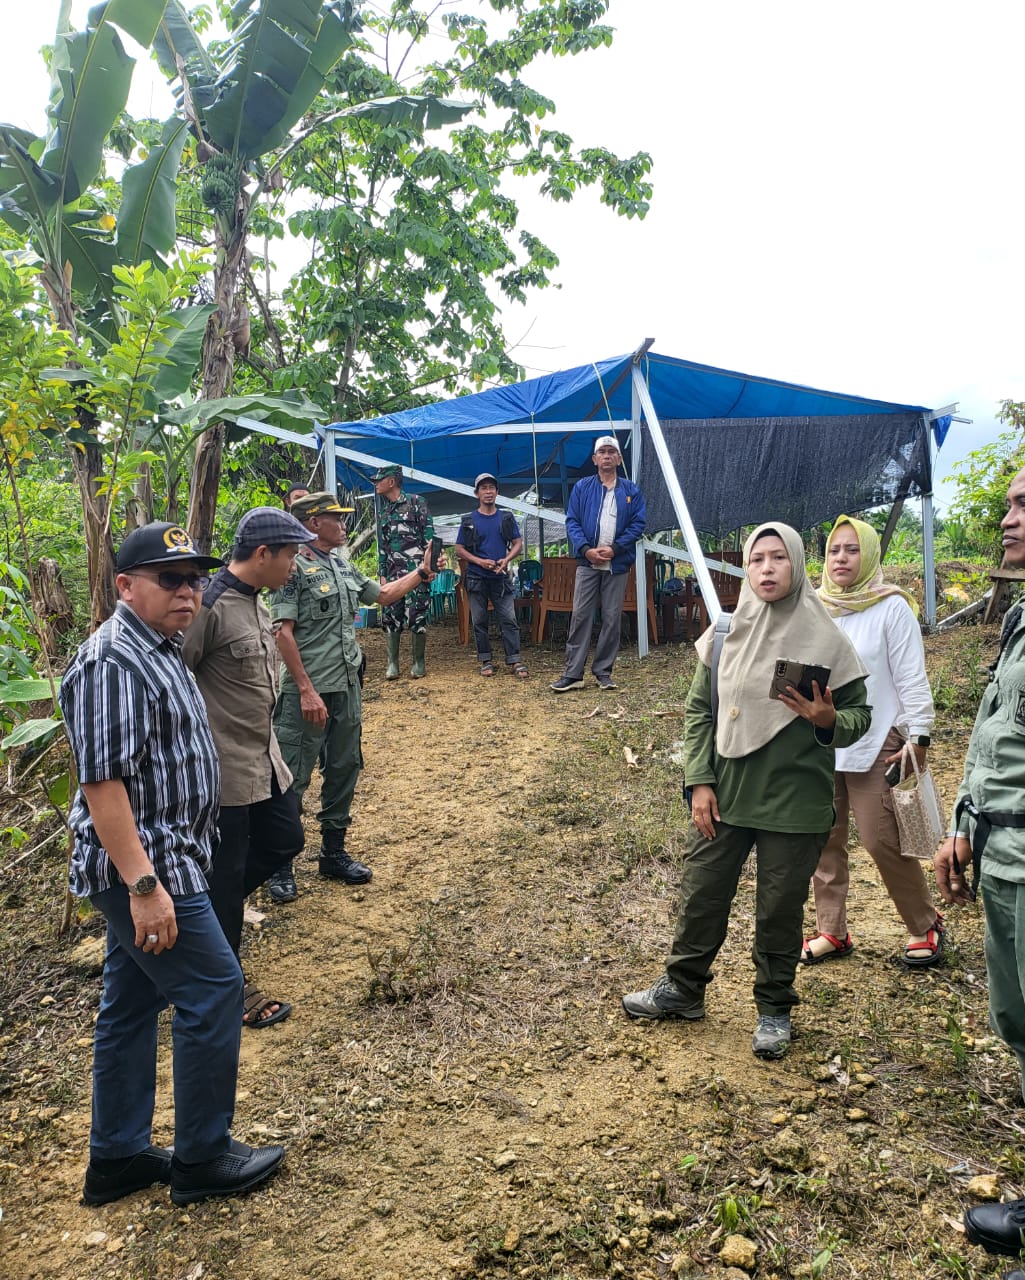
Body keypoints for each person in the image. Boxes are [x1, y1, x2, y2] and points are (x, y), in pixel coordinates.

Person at [60, 523, 284, 1208]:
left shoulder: (160, 646)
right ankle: (202, 1158)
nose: (188, 590)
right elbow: (104, 786)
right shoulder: (112, 661)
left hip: (171, 855)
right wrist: (144, 886)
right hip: (145, 866)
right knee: (215, 989)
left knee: (130, 1005)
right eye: (170, 579)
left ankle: (118, 1155)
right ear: (126, 587)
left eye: (193, 578)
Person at [622, 524, 870, 1059]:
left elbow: (860, 716)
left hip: (795, 801)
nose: (766, 568)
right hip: (726, 793)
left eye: (778, 558)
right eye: (756, 559)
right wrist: (700, 781)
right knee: (703, 892)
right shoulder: (726, 629)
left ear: (799, 564)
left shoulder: (827, 639)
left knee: (778, 910)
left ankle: (774, 1009)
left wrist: (829, 719)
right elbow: (698, 711)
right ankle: (683, 990)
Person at [936, 468, 1025, 1269]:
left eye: (1023, 505)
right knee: (1020, 1026)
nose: (1006, 519)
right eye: (1005, 504)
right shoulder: (1020, 619)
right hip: (1000, 853)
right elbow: (996, 738)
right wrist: (962, 824)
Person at [269, 492, 439, 896]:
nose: (344, 524)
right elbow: (282, 632)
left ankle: (333, 853)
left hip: (346, 685)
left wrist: (421, 574)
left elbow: (380, 596)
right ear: (313, 523)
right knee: (292, 777)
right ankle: (278, 864)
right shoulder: (291, 568)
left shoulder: (340, 563)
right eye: (336, 517)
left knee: (345, 767)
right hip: (307, 693)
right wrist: (307, 691)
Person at [182, 507, 315, 1015]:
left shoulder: (257, 600)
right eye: (290, 555)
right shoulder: (208, 607)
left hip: (264, 758)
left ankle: (199, 919)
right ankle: (229, 987)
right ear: (263, 554)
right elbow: (175, 679)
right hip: (223, 771)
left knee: (286, 839)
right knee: (226, 873)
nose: (296, 565)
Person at [801, 515, 942, 967]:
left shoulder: (891, 607)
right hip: (821, 741)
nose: (841, 558)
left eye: (852, 549)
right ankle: (832, 930)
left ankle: (924, 924)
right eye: (834, 551)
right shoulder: (814, 606)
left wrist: (917, 736)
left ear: (869, 555)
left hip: (877, 738)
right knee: (825, 837)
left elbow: (911, 677)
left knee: (883, 839)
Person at [550, 435, 647, 692]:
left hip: (616, 564)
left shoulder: (631, 491)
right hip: (587, 562)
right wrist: (586, 549)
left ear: (618, 458)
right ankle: (573, 674)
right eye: (601, 452)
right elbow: (572, 521)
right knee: (581, 615)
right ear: (594, 459)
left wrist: (615, 549)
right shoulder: (582, 487)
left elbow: (638, 524)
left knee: (612, 618)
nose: (606, 456)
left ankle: (603, 672)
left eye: (610, 451)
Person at [455, 472, 528, 678]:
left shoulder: (505, 517)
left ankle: (514, 660)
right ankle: (486, 660)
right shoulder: (469, 520)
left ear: (497, 492)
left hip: (501, 577)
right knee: (479, 620)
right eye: (484, 488)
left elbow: (518, 543)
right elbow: (459, 549)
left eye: (492, 488)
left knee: (509, 619)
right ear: (477, 493)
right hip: (476, 577)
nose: (488, 492)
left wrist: (506, 560)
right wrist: (479, 562)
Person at [373, 463, 436, 679]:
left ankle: (418, 663)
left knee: (417, 617)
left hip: (417, 573)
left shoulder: (417, 503)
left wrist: (431, 567)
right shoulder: (383, 512)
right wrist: (382, 575)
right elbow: (382, 547)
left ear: (391, 482)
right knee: (391, 619)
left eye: (379, 480)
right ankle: (393, 664)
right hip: (392, 575)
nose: (376, 484)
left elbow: (430, 539)